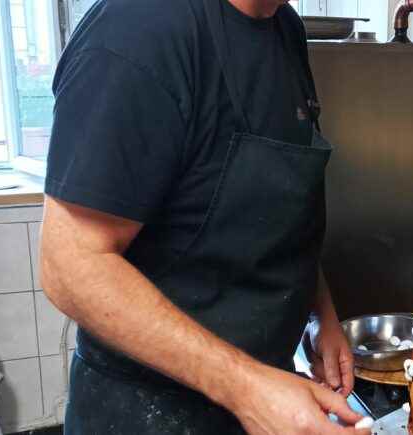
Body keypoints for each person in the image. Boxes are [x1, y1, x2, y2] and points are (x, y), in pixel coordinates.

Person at [40, 0, 366, 433]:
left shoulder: (282, 25)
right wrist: (247, 388)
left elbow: (273, 211)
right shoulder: (140, 27)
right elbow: (70, 265)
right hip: (144, 414)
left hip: (256, 397)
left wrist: (320, 314)